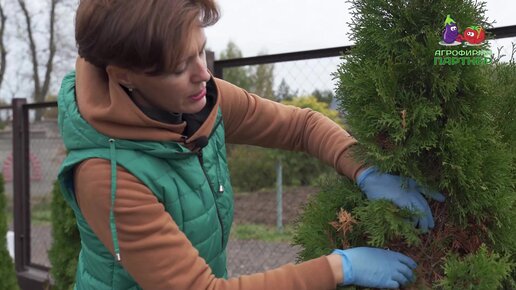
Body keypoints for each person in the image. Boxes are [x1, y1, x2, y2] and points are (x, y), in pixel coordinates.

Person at [57, 0, 445, 289]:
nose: (202, 73)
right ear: (125, 76)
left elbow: (302, 125)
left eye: (201, 50)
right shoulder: (105, 175)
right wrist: (339, 267)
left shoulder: (202, 100)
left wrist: (364, 168)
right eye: (179, 67)